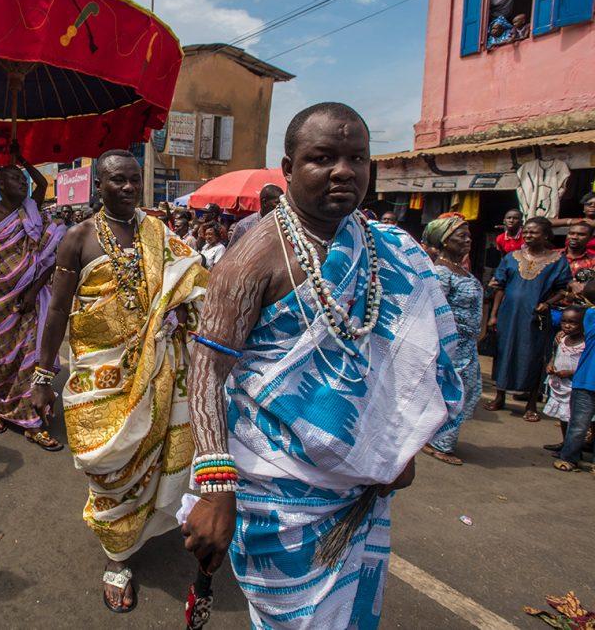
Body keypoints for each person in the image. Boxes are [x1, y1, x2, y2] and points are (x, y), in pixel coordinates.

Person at [180, 103, 462, 629]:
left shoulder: (386, 248)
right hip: (277, 489)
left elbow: (404, 360)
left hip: (358, 485)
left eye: (358, 157)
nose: (344, 171)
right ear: (288, 169)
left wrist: (397, 443)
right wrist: (215, 488)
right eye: (322, 157)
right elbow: (206, 370)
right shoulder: (254, 257)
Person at [31, 149, 208, 613]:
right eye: (117, 181)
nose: (129, 188)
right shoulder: (78, 237)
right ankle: (117, 553)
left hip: (160, 367)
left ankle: (143, 526)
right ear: (99, 187)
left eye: (134, 180)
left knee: (157, 451)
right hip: (100, 371)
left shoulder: (159, 233)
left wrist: (177, 311)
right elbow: (57, 310)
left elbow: (194, 280)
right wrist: (43, 375)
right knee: (109, 461)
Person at [0, 148, 65, 449]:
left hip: (26, 303)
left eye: (23, 179)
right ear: (1, 184)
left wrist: (24, 161)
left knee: (29, 360)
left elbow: (43, 186)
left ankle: (32, 420)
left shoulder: (31, 210)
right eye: (15, 179)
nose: (22, 183)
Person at [485, 217, 572, 420]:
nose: (529, 235)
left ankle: (531, 403)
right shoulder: (512, 257)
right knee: (503, 352)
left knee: (533, 356)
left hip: (536, 316)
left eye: (534, 232)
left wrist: (548, 303)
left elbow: (563, 289)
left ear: (546, 235)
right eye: (527, 232)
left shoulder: (557, 260)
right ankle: (500, 396)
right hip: (509, 314)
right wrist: (494, 315)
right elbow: (499, 286)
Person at [420, 218, 483, 465]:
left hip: (468, 344)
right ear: (445, 240)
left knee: (465, 390)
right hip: (451, 345)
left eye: (468, 236)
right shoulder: (441, 273)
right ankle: (441, 444)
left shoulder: (462, 270)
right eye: (461, 236)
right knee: (452, 391)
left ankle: (437, 437)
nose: (467, 240)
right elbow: (433, 312)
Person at [543, 306, 586, 453]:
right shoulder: (561, 339)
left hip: (574, 385)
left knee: (574, 418)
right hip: (559, 384)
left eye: (573, 322)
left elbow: (585, 365)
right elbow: (554, 355)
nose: (567, 325)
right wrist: (550, 365)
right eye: (564, 321)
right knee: (563, 415)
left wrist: (570, 372)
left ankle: (574, 447)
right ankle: (565, 442)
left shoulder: (585, 344)